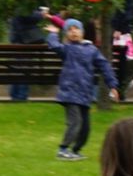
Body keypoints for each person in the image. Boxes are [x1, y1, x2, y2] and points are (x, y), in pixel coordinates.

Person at [46, 17, 120, 160]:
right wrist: (53, 33)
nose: (73, 32)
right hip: (69, 93)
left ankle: (76, 150)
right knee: (75, 122)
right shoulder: (66, 49)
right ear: (66, 34)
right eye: (70, 29)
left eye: (76, 28)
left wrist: (113, 85)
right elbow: (54, 46)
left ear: (82, 32)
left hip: (85, 93)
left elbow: (104, 66)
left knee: (85, 128)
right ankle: (63, 149)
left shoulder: (92, 50)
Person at [6, 5, 50, 101]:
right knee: (23, 71)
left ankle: (15, 95)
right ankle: (21, 96)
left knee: (17, 70)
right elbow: (32, 16)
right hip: (24, 44)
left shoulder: (16, 5)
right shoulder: (23, 6)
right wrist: (42, 14)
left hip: (17, 43)